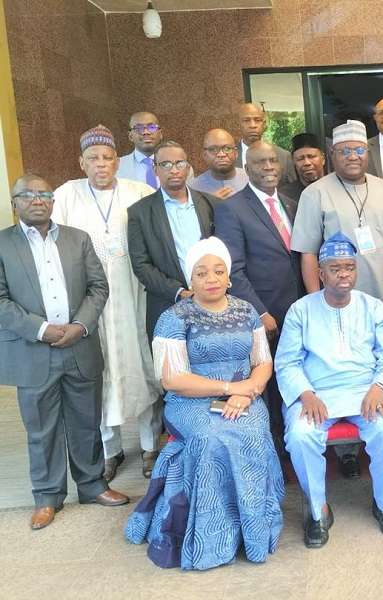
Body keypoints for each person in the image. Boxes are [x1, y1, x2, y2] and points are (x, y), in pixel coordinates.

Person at [125, 237, 284, 569]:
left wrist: (247, 391)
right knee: (212, 439)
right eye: (201, 273)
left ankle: (253, 534)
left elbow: (263, 362)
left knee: (253, 433)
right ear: (190, 279)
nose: (211, 279)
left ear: (228, 277)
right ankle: (209, 540)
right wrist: (230, 386)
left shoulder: (246, 310)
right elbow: (173, 380)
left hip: (244, 397)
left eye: (218, 271)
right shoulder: (175, 317)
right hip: (190, 402)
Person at [0, 174, 128, 531]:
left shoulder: (78, 239)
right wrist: (41, 329)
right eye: (27, 195)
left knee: (86, 421)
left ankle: (92, 486)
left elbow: (98, 287)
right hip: (32, 350)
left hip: (79, 345)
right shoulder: (2, 244)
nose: (37, 200)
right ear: (15, 203)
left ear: (53, 202)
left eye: (44, 194)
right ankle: (47, 496)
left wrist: (80, 326)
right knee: (42, 429)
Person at [291, 120, 383, 477]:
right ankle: (345, 451)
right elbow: (308, 253)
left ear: (368, 152)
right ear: (332, 155)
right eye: (345, 151)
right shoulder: (316, 193)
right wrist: (317, 302)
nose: (353, 157)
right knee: (341, 370)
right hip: (338, 305)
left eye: (359, 150)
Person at [275, 233, 383, 549]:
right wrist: (305, 394)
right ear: (321, 273)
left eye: (349, 267)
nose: (344, 274)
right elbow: (287, 363)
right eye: (335, 269)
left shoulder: (373, 307)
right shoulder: (300, 310)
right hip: (317, 393)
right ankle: (318, 510)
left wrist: (379, 387)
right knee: (302, 435)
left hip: (366, 391)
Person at [53, 125, 161, 482]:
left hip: (133, 296)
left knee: (141, 365)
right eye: (93, 158)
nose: (101, 165)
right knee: (99, 373)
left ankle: (149, 446)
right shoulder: (66, 195)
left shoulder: (140, 191)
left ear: (118, 160)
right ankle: (111, 449)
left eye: (108, 157)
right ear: (81, 162)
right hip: (90, 299)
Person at [215, 141, 305, 451]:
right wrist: (260, 313)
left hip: (299, 312)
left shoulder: (292, 203)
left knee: (295, 376)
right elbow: (234, 270)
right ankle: (274, 449)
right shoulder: (231, 208)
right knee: (269, 384)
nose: (267, 167)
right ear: (246, 168)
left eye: (272, 161)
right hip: (266, 316)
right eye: (259, 162)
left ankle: (295, 440)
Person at [127, 140, 216, 341]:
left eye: (179, 163)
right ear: (155, 169)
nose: (173, 170)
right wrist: (180, 293)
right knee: (172, 371)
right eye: (165, 164)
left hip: (214, 302)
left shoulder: (212, 204)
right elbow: (141, 265)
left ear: (188, 167)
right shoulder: (139, 212)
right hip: (168, 305)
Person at [117, 112, 195, 186]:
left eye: (151, 127)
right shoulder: (117, 167)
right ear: (130, 136)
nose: (146, 132)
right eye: (139, 128)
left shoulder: (182, 167)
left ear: (160, 134)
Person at [234, 102, 295, 184]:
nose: (253, 125)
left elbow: (292, 190)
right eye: (246, 120)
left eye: (257, 120)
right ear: (238, 125)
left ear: (264, 124)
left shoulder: (283, 156)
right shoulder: (229, 156)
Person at [192, 128, 249, 199]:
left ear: (236, 153)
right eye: (213, 149)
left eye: (227, 149)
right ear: (204, 155)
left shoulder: (252, 180)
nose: (221, 154)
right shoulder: (192, 189)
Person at [279, 132, 326, 202]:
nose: (307, 163)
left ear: (323, 159)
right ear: (293, 162)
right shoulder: (285, 196)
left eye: (311, 157)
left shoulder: (337, 187)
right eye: (300, 159)